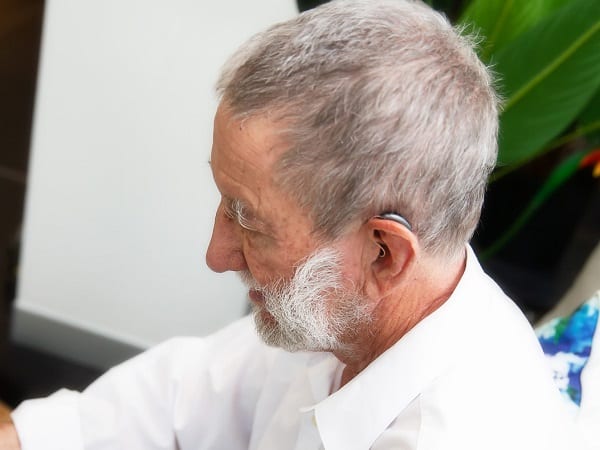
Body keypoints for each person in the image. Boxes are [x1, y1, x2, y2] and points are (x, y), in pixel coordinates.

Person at [0, 0, 578, 448]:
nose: (217, 253)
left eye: (249, 221)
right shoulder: (341, 310)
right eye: (226, 203)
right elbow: (190, 391)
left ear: (383, 254)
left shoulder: (458, 430)